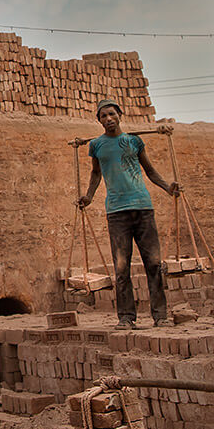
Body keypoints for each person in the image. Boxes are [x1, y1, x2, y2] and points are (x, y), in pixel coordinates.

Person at [78, 99, 181, 329]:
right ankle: (126, 318)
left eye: (111, 114)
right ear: (99, 121)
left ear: (120, 115)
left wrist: (168, 188)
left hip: (143, 208)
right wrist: (89, 196)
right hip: (116, 212)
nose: (108, 119)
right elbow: (96, 174)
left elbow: (150, 171)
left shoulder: (134, 141)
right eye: (103, 116)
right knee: (121, 268)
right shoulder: (96, 145)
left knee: (153, 264)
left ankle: (160, 316)